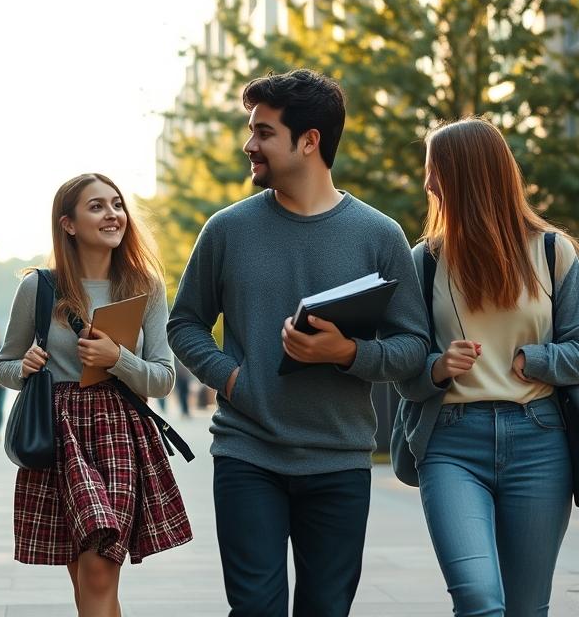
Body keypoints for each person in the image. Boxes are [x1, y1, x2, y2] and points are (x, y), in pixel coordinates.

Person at [167, 70, 429, 617]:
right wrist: (232, 377)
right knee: (256, 609)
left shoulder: (380, 235)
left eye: (264, 132)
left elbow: (412, 347)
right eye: (251, 130)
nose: (250, 145)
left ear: (309, 141)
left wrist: (348, 354)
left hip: (339, 459)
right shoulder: (226, 230)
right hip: (248, 453)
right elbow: (185, 323)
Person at [394, 117, 579, 616]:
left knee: (527, 608)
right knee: (478, 597)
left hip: (540, 442)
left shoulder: (554, 252)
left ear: (468, 173)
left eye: (434, 170)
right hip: (450, 442)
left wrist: (538, 359)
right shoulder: (423, 260)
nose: (427, 184)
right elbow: (404, 367)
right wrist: (438, 367)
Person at [0, 173, 192, 617]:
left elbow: (162, 379)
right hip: (58, 435)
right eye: (97, 206)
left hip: (119, 432)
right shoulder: (40, 287)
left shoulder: (145, 285)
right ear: (68, 223)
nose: (113, 215)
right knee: (87, 577)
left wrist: (116, 357)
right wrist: (24, 367)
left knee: (100, 569)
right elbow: (2, 367)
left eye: (117, 204)